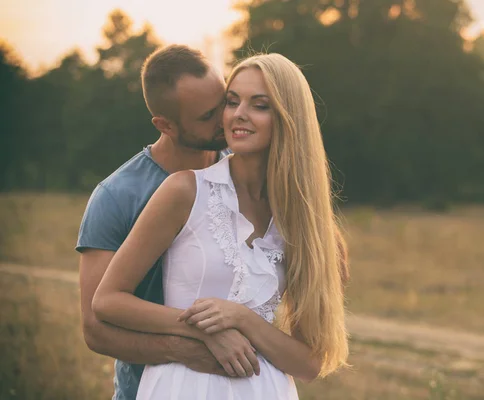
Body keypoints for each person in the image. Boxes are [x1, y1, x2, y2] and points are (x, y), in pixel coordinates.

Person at [92, 53, 349, 399]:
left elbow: (308, 365)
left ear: (290, 119)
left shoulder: (304, 223)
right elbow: (107, 301)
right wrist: (203, 329)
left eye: (260, 104)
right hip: (181, 388)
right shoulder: (184, 191)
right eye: (232, 101)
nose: (238, 113)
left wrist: (243, 319)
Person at [76, 45, 257, 400]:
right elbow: (95, 331)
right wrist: (189, 346)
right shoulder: (116, 197)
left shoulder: (245, 171)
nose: (225, 118)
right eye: (208, 116)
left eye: (225, 102)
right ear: (165, 125)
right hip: (150, 390)